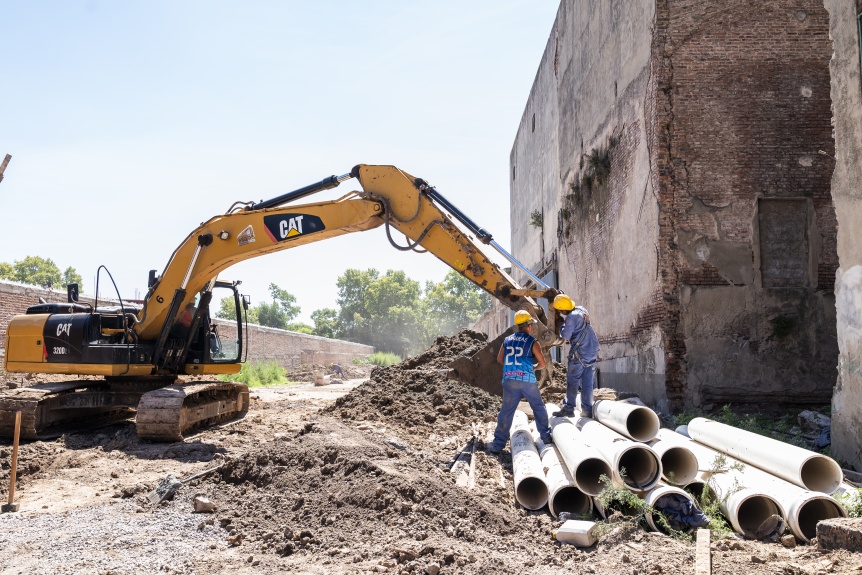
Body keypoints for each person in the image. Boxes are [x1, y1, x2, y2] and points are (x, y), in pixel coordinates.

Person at [487, 310, 554, 455]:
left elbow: (500, 359)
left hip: (509, 380)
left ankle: (497, 445)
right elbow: (542, 363)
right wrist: (534, 367)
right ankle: (546, 437)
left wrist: (512, 367)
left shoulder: (508, 340)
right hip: (527, 381)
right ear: (529, 326)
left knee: (506, 412)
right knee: (538, 408)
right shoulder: (532, 342)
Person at [552, 294, 600, 418]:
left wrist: (560, 326)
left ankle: (569, 408)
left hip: (580, 353)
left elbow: (566, 336)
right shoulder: (582, 310)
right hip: (591, 350)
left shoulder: (571, 318)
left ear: (563, 310)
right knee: (587, 382)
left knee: (573, 381)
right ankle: (587, 410)